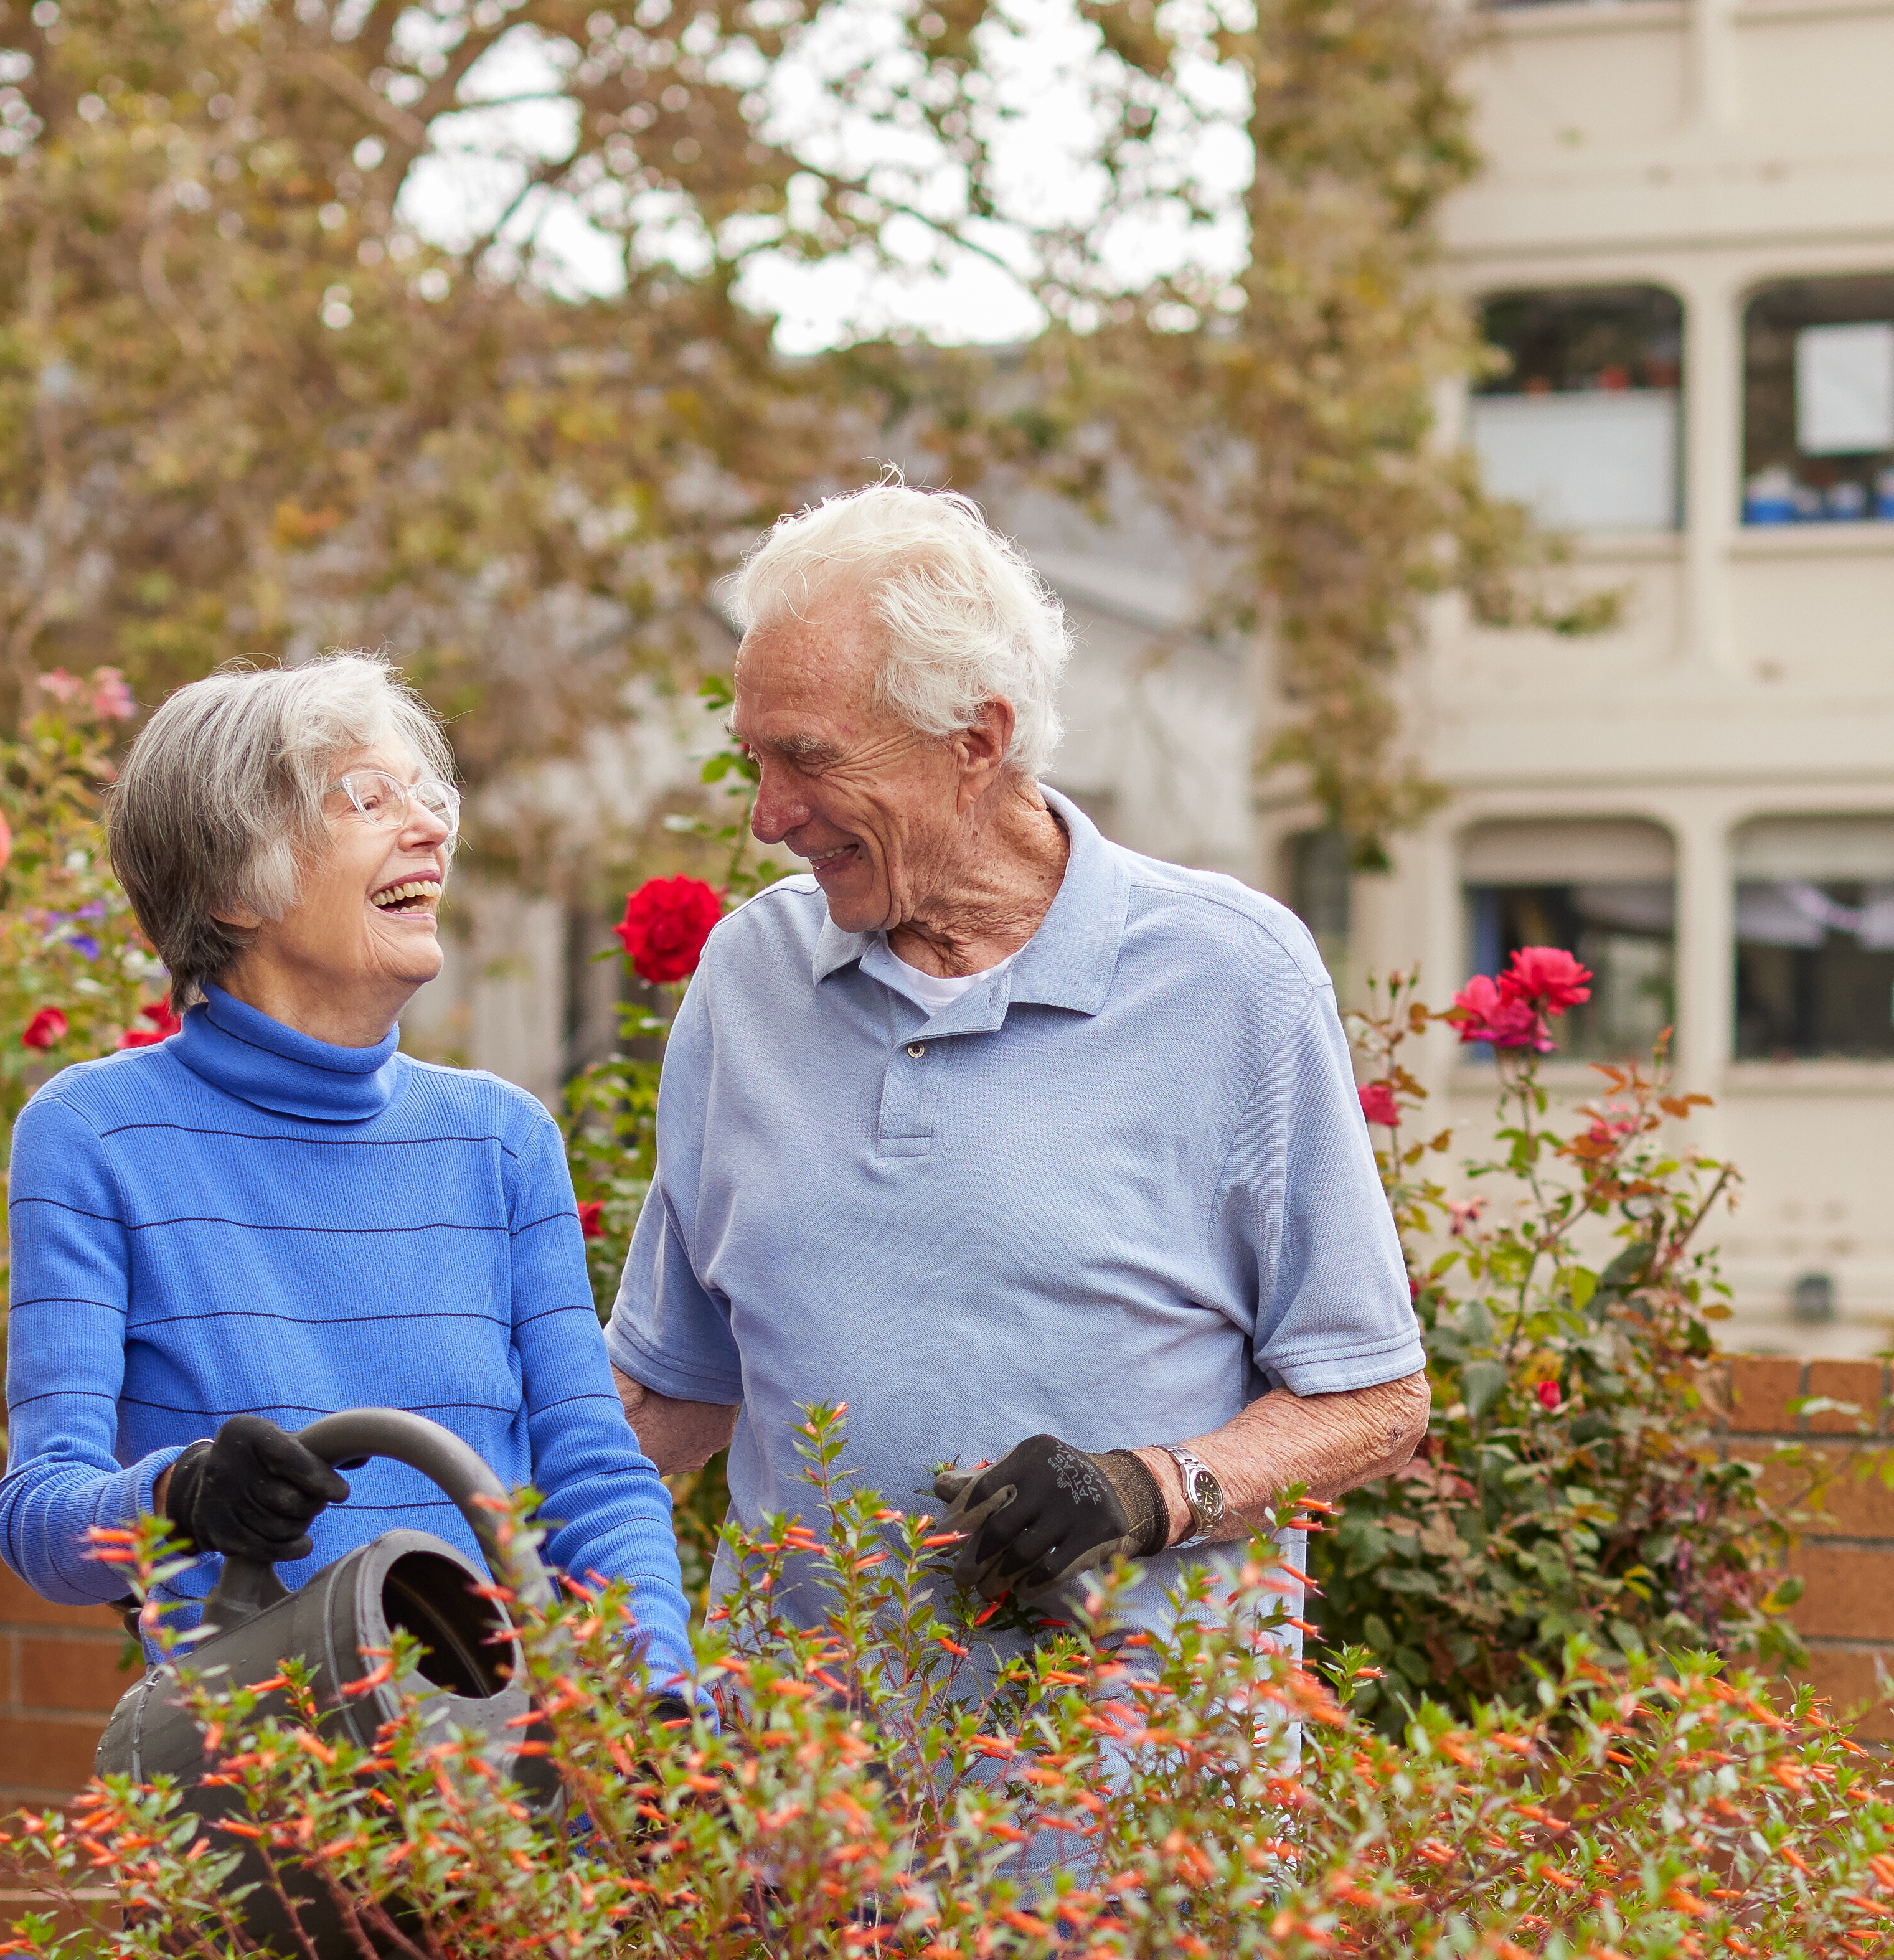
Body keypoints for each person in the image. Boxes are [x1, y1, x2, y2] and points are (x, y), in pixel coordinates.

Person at [0, 649, 685, 1960]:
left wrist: (654, 1700)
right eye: (366, 795)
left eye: (425, 789)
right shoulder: (98, 1137)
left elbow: (594, 1474)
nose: (426, 822)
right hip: (257, 1830)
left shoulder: (494, 1142)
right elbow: (42, 1511)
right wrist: (180, 1492)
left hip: (502, 1822)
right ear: (229, 881)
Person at [606, 483, 1432, 1662]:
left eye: (807, 759)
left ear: (977, 743)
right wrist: (403, 1490)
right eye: (755, 758)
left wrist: (1152, 1489)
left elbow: (1376, 1402)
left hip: (1133, 1810)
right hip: (801, 1800)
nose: (767, 816)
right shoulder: (751, 979)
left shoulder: (1230, 979)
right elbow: (669, 1395)